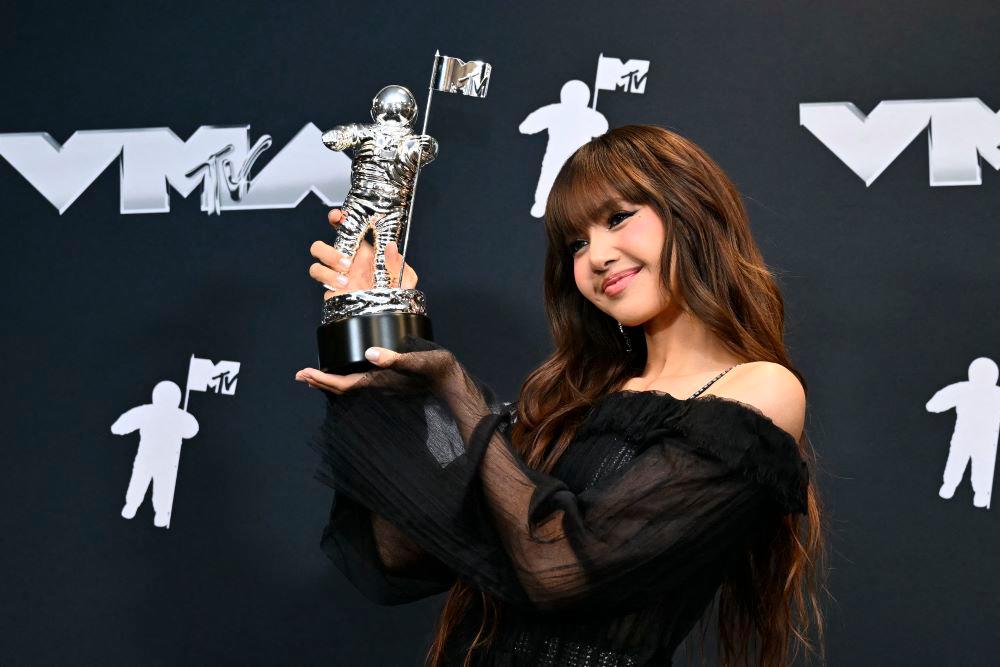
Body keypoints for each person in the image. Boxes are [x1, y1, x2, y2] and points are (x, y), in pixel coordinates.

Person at [296, 125, 828, 667]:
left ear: (691, 209)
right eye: (576, 243)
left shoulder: (759, 389)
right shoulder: (572, 399)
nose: (597, 255)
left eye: (618, 218)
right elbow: (401, 549)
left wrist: (453, 387)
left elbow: (555, 567)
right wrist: (384, 337)